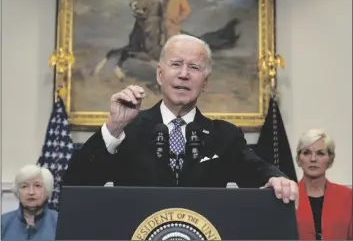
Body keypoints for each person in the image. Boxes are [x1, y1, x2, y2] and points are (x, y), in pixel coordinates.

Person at [63, 34, 298, 205]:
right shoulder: (127, 129)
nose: (184, 74)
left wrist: (277, 178)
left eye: (194, 67)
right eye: (176, 64)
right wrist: (113, 128)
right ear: (159, 73)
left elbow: (256, 170)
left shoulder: (224, 136)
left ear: (205, 82)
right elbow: (76, 182)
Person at [295, 129, 352, 240]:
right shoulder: (288, 196)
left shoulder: (348, 196)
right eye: (306, 153)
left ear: (330, 159)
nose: (313, 159)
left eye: (320, 153)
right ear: (298, 159)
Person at [1, 164, 58, 241]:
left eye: (37, 185)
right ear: (17, 192)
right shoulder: (3, 223)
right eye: (24, 186)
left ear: (46, 191)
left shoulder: (60, 223)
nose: (31, 192)